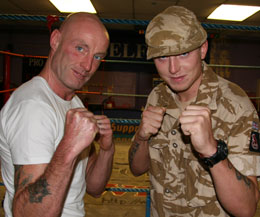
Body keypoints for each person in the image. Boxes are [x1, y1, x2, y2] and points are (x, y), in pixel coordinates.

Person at [129, 6, 260, 217]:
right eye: (162, 57)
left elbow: (246, 209)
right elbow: (137, 169)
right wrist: (141, 136)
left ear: (202, 49)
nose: (173, 69)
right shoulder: (157, 96)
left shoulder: (236, 106)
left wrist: (212, 151)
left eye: (183, 53)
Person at [0, 12, 114, 217]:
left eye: (97, 57)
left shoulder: (74, 102)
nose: (88, 66)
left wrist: (106, 150)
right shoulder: (33, 107)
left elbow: (93, 187)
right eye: (80, 48)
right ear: (55, 40)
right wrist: (69, 146)